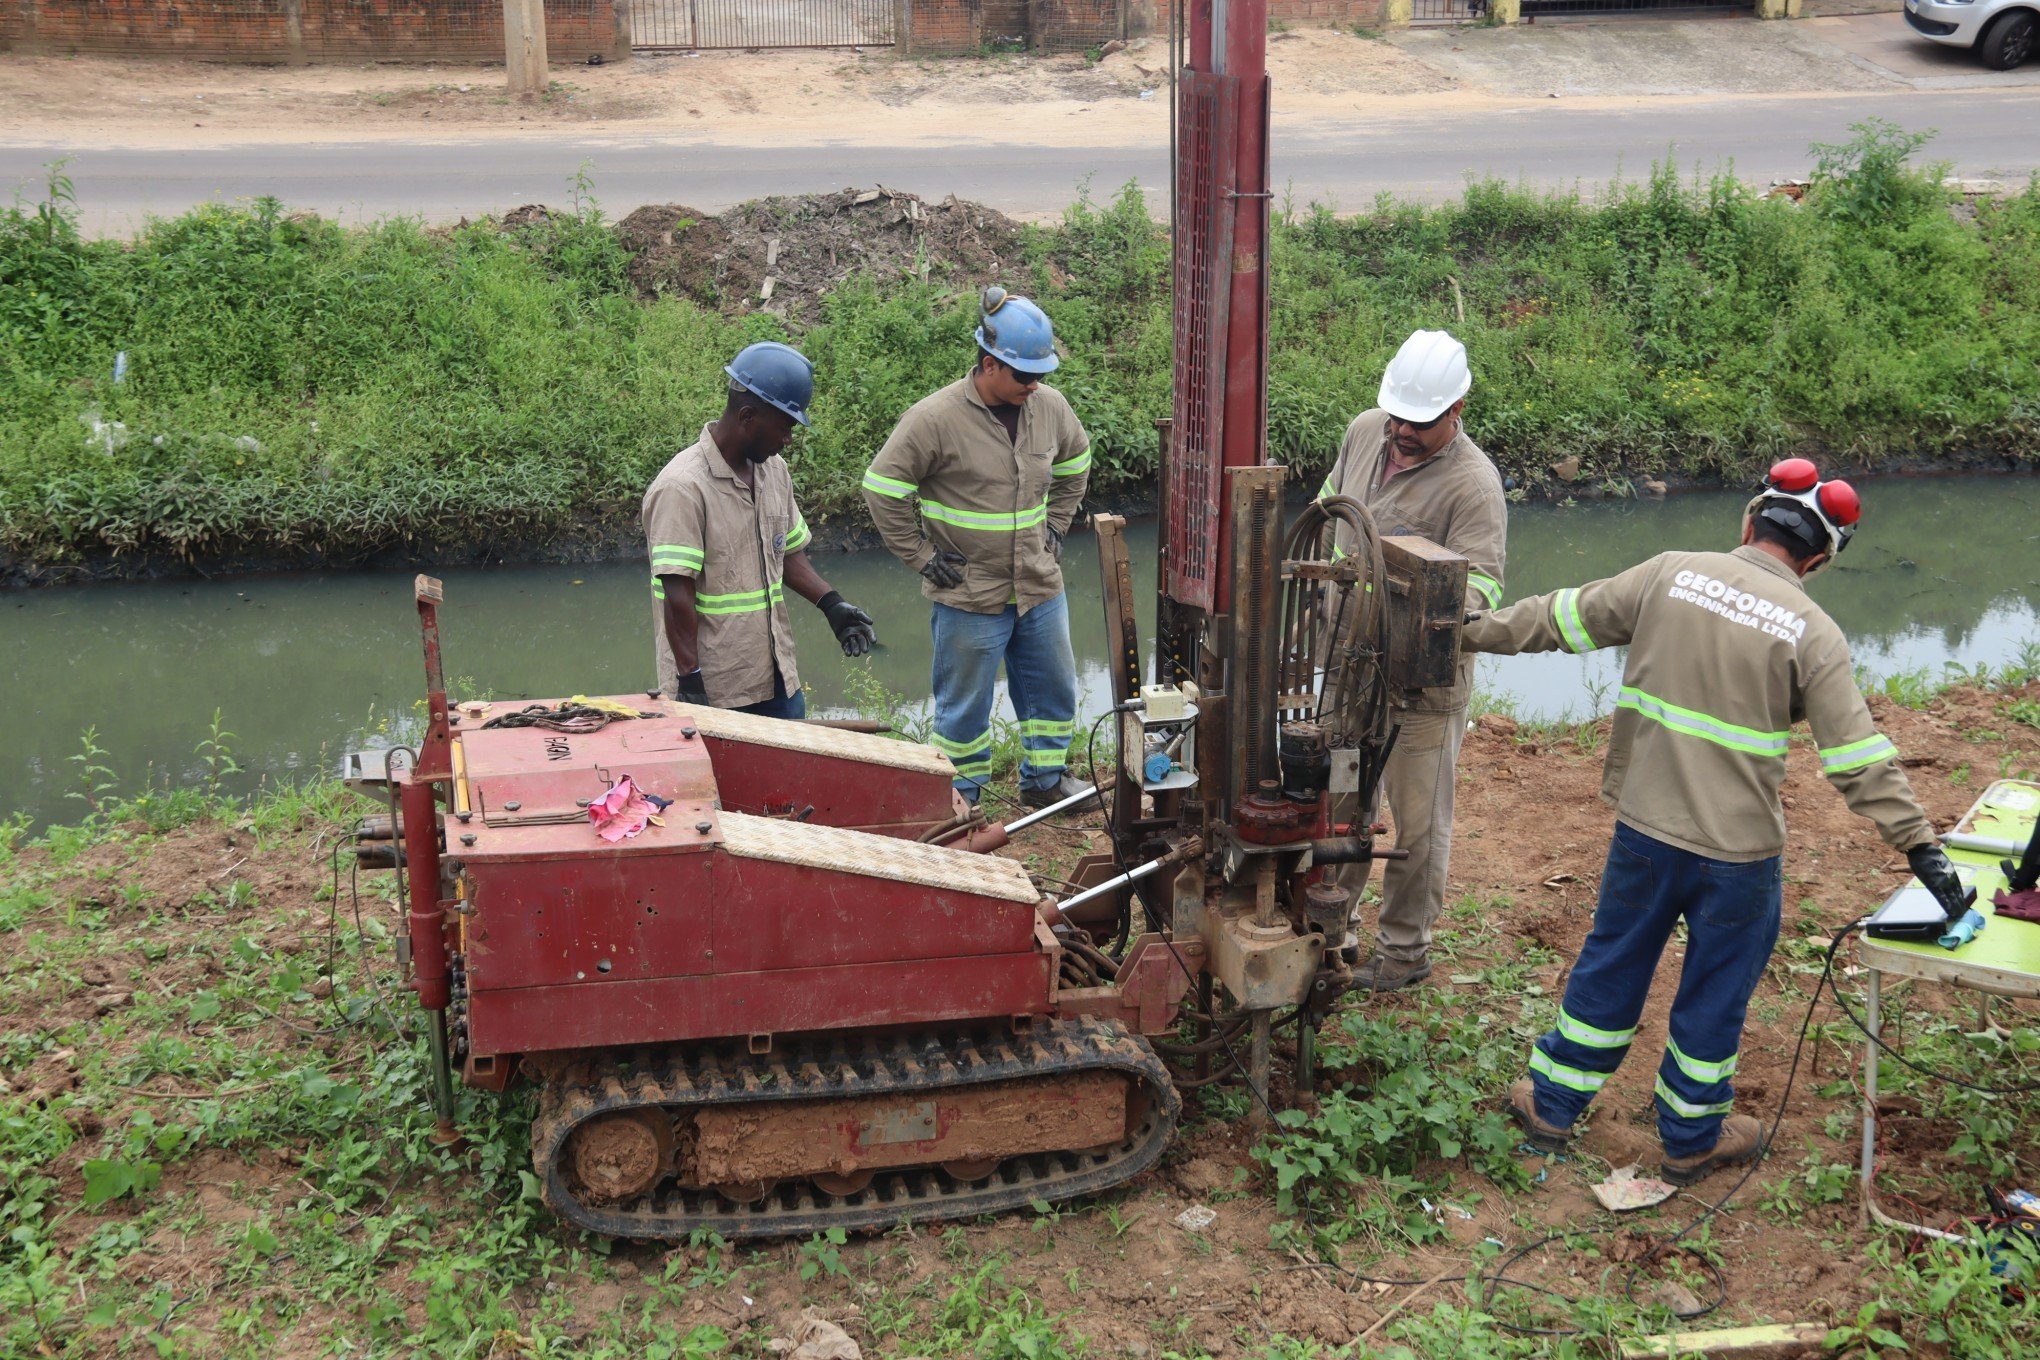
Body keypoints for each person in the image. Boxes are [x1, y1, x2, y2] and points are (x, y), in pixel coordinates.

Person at [1464, 459, 1971, 1186]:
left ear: (1748, 521)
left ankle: (1550, 1106)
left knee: (1612, 963)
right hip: (1739, 856)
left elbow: (1558, 619)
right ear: (1819, 559)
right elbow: (1860, 760)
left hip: (1645, 830)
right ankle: (1692, 1137)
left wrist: (1469, 632)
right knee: (1715, 991)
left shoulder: (1668, 573)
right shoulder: (1814, 631)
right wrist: (1927, 854)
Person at [1318, 329, 1508, 991]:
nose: (1401, 429)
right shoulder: (1365, 429)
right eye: (1397, 413)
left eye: (1420, 423)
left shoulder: (1474, 486)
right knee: (1340, 803)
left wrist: (1432, 613)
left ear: (1458, 410)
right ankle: (1328, 932)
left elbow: (1483, 584)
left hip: (1420, 689)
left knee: (1419, 826)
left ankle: (1403, 955)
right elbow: (1328, 506)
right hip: (1346, 665)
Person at [861, 287, 1091, 809]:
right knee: (963, 707)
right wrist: (921, 557)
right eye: (1025, 376)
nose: (1035, 386)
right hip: (969, 592)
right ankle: (962, 799)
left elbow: (1076, 465)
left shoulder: (1050, 407)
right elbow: (881, 488)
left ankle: (1046, 783)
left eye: (1042, 376)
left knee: (1052, 689)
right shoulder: (934, 418)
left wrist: (1056, 524)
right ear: (990, 364)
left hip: (1038, 583)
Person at [643, 342, 875, 717]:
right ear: (748, 416)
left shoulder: (774, 471)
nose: (788, 439)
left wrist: (832, 604)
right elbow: (676, 590)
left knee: (791, 773)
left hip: (776, 676)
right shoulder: (682, 487)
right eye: (784, 427)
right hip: (714, 689)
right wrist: (690, 681)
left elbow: (788, 554)